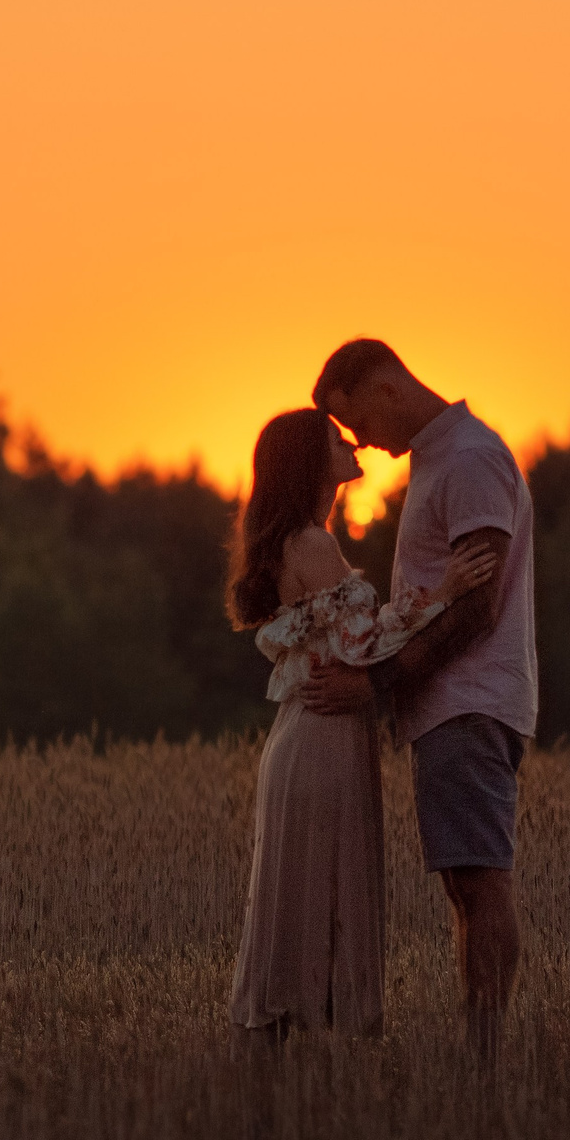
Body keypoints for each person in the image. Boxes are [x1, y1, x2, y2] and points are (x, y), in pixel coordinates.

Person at [225, 407, 499, 1041]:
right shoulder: (313, 544)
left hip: (317, 735)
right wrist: (446, 593)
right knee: (318, 895)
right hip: (320, 739)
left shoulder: (303, 539)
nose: (352, 444)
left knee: (302, 896)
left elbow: (354, 639)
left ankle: (291, 1064)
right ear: (312, 460)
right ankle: (305, 1049)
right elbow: (363, 645)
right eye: (335, 437)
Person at [301, 341, 536, 1058]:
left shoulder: (467, 459)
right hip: (452, 703)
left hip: (468, 701)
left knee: (477, 879)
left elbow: (478, 608)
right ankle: (480, 1055)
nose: (362, 442)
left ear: (384, 385)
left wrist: (373, 684)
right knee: (466, 884)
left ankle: (484, 1060)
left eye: (357, 420)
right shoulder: (446, 460)